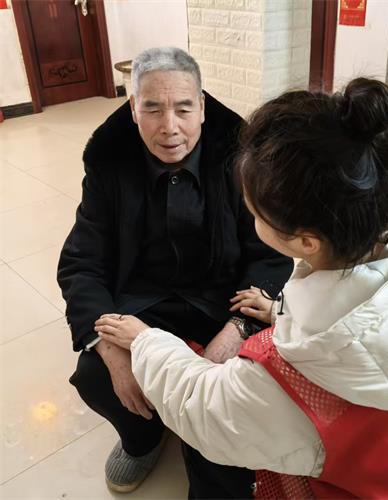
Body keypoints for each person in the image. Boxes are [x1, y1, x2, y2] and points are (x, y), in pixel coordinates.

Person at [94, 78, 388, 498]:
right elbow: (381, 325)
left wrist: (145, 341)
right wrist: (279, 311)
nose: (170, 127)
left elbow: (206, 408)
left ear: (306, 242)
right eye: (153, 108)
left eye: (256, 213)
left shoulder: (292, 383)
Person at [57, 47, 292, 496]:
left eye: (184, 109)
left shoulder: (239, 161)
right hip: (139, 306)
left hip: (222, 302)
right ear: (133, 109)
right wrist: (110, 350)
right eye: (152, 109)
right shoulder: (109, 165)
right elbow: (81, 262)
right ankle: (143, 438)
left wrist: (237, 328)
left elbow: (271, 254)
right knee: (96, 375)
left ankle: (212, 453)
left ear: (202, 107)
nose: (169, 127)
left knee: (237, 391)